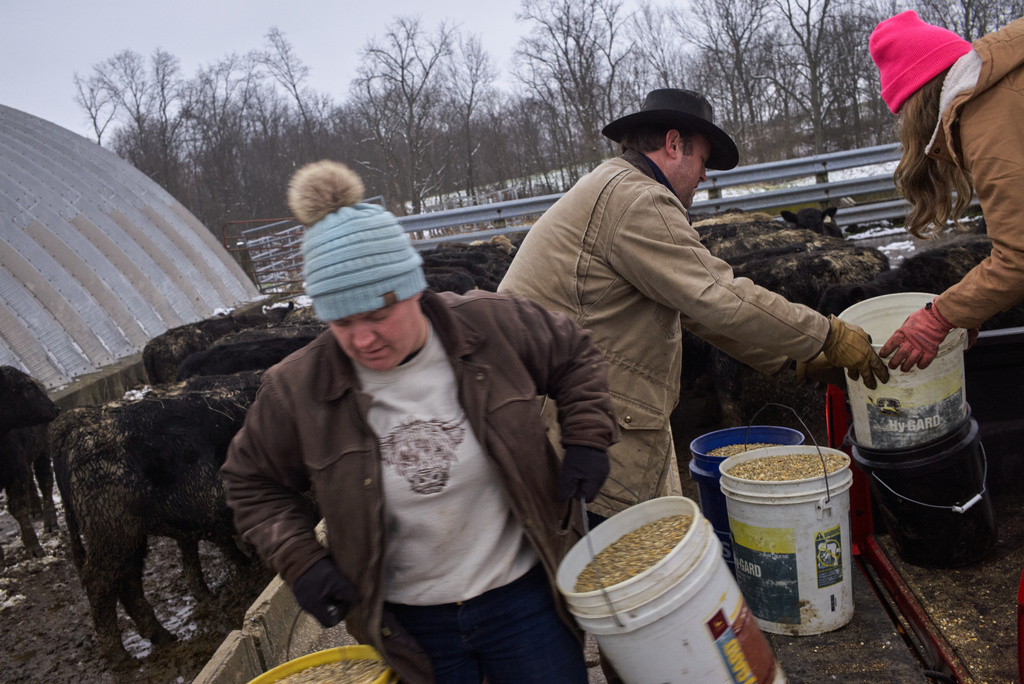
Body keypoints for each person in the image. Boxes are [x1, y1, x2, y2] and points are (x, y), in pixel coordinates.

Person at [220, 160, 619, 684]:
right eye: (342, 321)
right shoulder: (299, 388)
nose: (363, 338)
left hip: (524, 596)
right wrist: (301, 560)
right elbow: (250, 482)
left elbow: (576, 355)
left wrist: (588, 434)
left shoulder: (490, 326)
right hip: (410, 623)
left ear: (413, 288)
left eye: (378, 314)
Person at [498, 88, 889, 520]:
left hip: (553, 411)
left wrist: (793, 357)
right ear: (673, 144)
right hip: (564, 427)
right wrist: (827, 336)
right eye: (703, 160)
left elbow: (693, 308)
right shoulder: (636, 198)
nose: (704, 177)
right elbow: (718, 296)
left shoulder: (614, 187)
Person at [868, 12, 1024, 372]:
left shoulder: (988, 112)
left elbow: (1018, 254)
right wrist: (972, 307)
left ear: (918, 103)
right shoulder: (1005, 84)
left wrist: (939, 317)